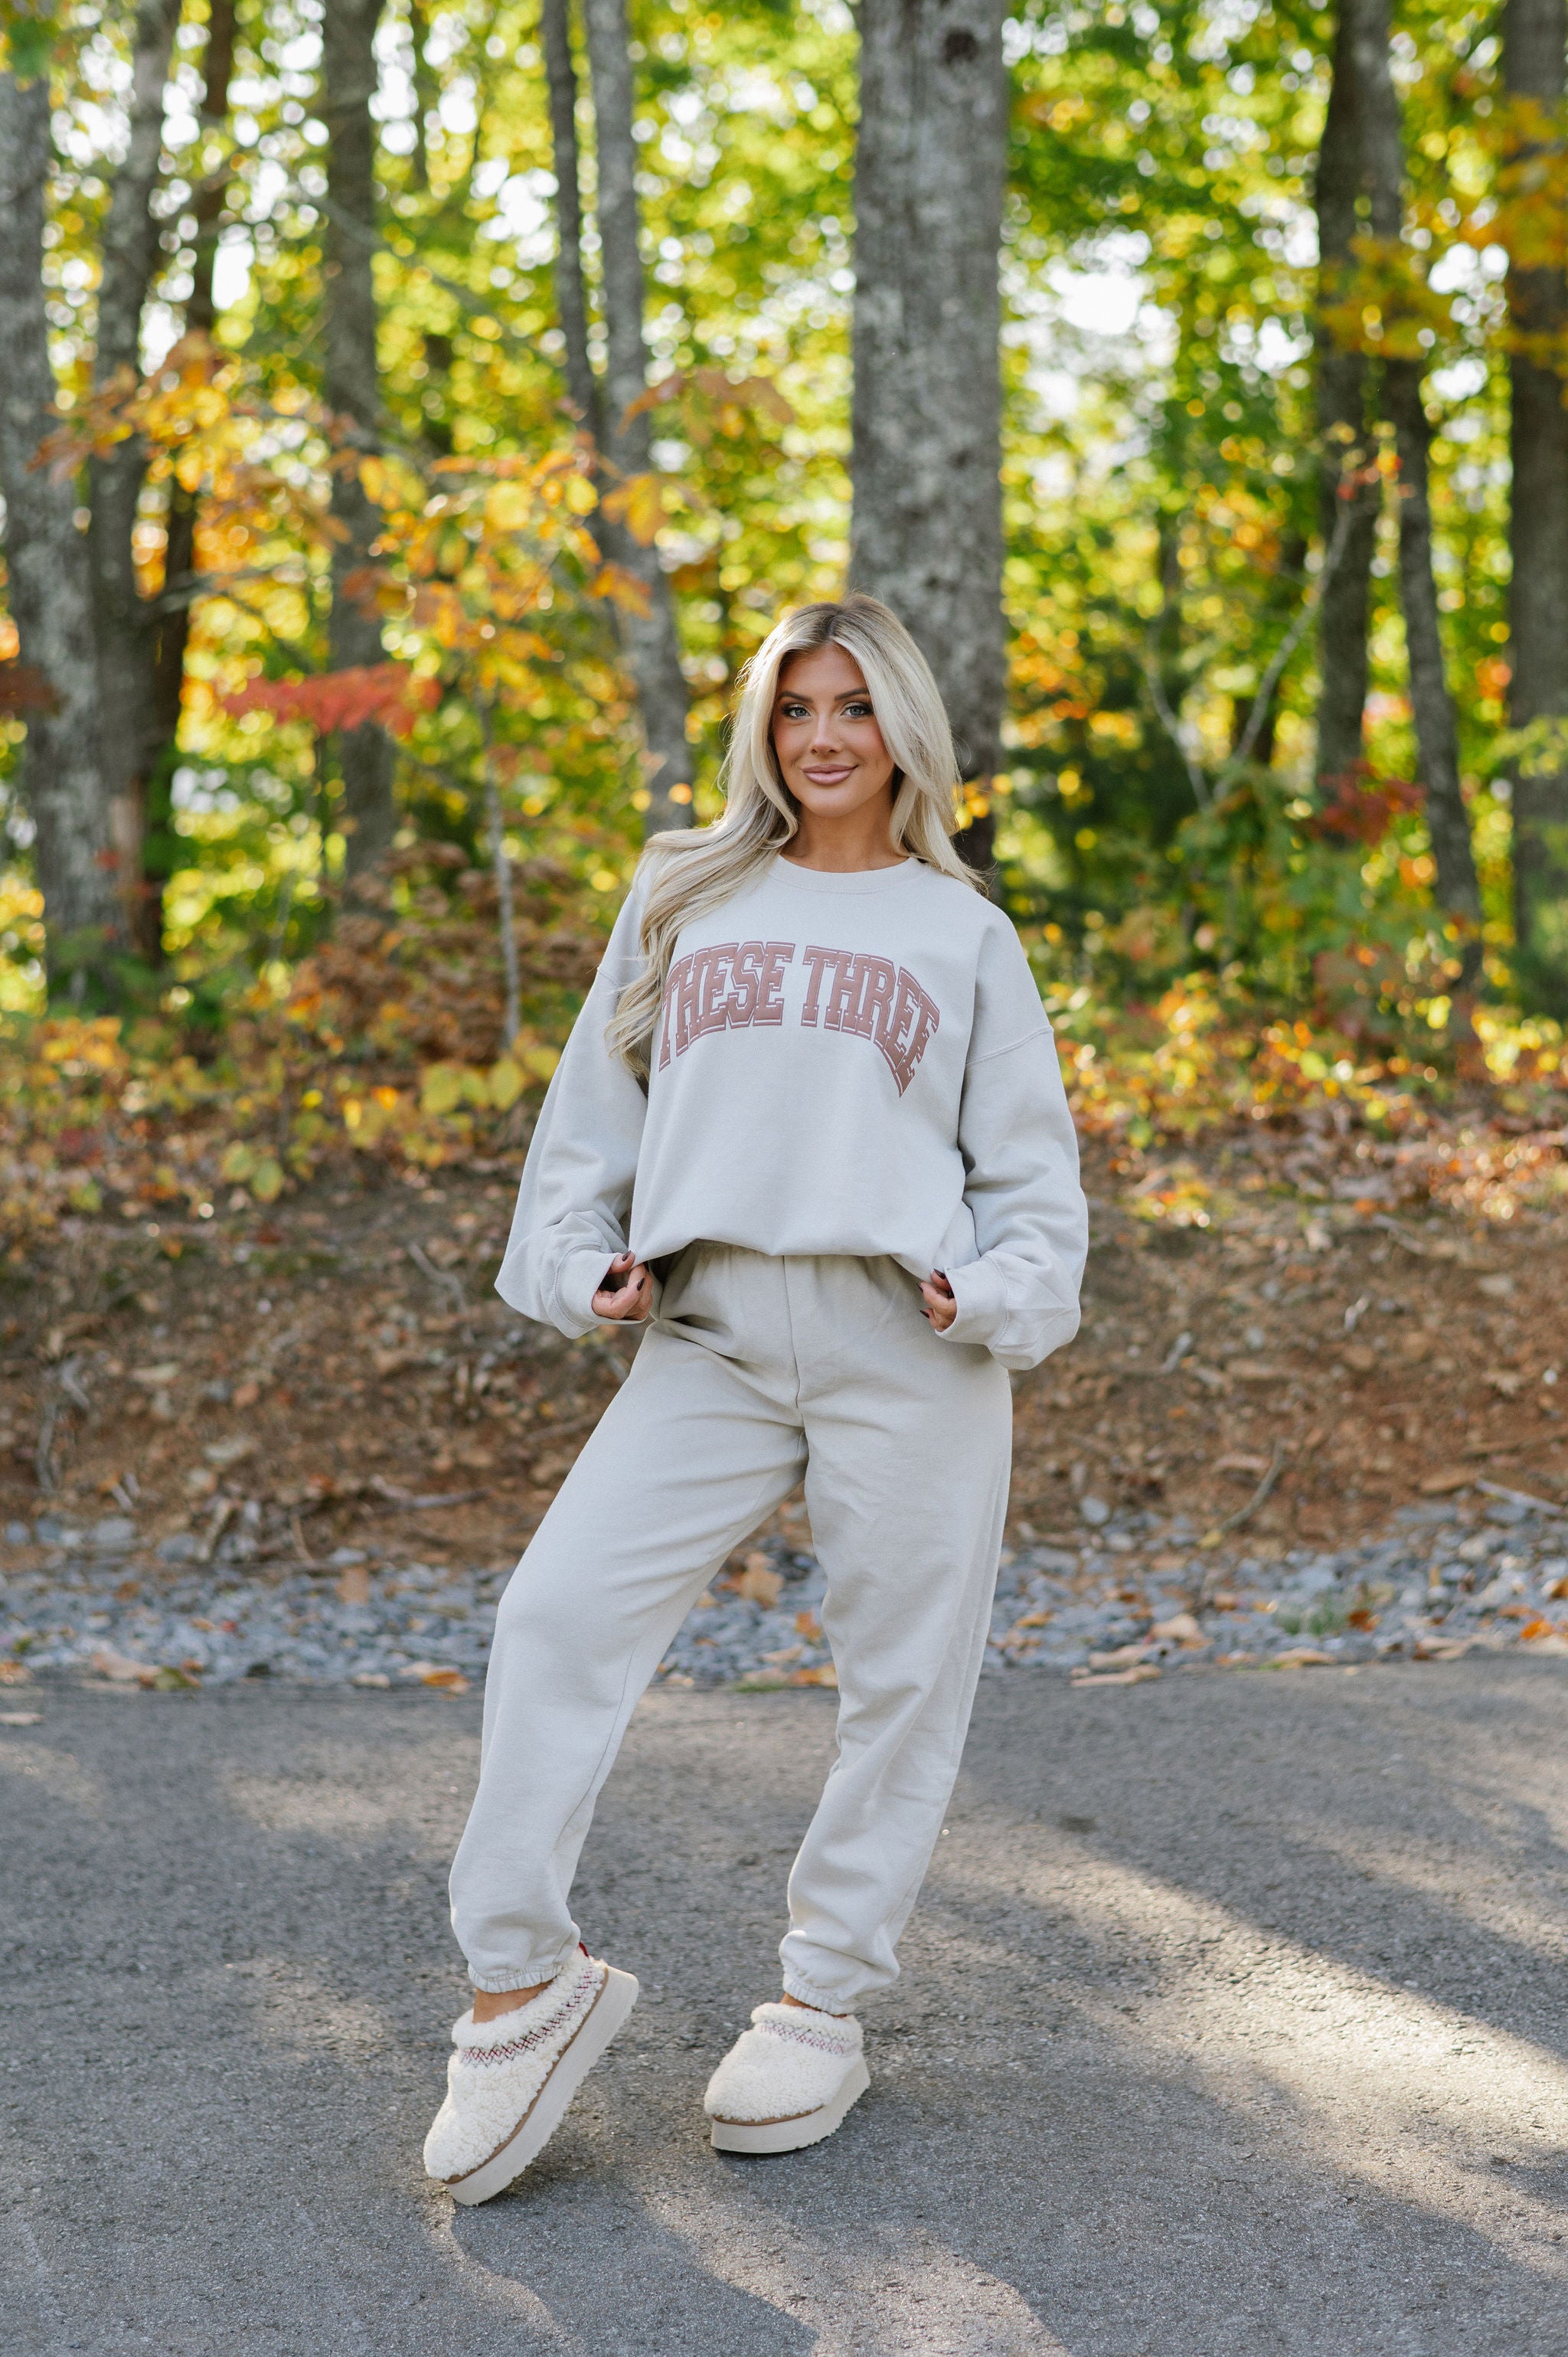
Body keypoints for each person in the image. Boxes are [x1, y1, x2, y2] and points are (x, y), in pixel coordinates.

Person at [423, 593, 1087, 2205]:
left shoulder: (961, 931)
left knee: (899, 1685)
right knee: (554, 1618)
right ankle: (518, 1983)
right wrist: (584, 1264)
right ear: (762, 731)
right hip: (707, 1331)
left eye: (853, 704)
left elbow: (1035, 1194)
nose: (825, 735)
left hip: (904, 1341)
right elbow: (589, 1123)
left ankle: (821, 2003)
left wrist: (985, 1293)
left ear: (902, 727)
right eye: (795, 708)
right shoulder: (682, 891)